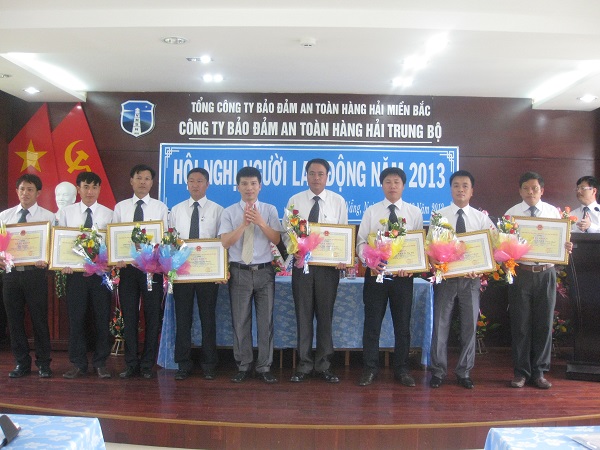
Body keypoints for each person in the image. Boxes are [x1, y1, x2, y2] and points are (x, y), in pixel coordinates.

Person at [356, 167, 423, 387]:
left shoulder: (414, 213)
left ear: (403, 185)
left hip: (403, 278)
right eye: (387, 182)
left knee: (402, 325)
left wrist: (412, 267)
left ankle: (402, 369)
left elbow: (418, 246)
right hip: (376, 276)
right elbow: (361, 243)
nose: (392, 186)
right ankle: (370, 368)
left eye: (396, 182)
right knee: (372, 323)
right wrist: (369, 262)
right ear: (382, 185)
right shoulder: (371, 212)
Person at [505, 171, 572, 389]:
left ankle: (540, 372)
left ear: (541, 190)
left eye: (534, 188)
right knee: (520, 325)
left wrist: (567, 246)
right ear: (520, 191)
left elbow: (563, 242)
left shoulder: (553, 213)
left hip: (546, 273)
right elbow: (503, 245)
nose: (530, 192)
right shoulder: (511, 214)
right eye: (526, 188)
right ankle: (521, 373)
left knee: (544, 324)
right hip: (521, 273)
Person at [429, 170, 495, 390]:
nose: (460, 189)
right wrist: (434, 261)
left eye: (465, 185)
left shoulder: (481, 218)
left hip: (471, 281)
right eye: (456, 185)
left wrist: (482, 268)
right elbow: (430, 246)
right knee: (440, 325)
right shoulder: (439, 216)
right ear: (451, 189)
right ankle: (438, 371)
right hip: (446, 279)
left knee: (469, 326)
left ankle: (464, 372)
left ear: (472, 191)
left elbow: (493, 246)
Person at [284, 158, 348, 383]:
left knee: (325, 316)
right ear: (306, 175)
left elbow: (343, 235)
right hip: (302, 267)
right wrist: (294, 248)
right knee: (303, 315)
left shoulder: (338, 201)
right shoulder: (295, 200)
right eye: (312, 173)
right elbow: (286, 233)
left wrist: (343, 258)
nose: (316, 178)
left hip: (327, 270)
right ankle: (303, 364)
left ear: (327, 177)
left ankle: (324, 365)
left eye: (321, 174)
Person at [219, 166, 282, 384]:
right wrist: (243, 225)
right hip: (239, 272)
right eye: (244, 184)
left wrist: (261, 222)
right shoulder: (229, 212)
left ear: (260, 186)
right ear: (237, 187)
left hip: (265, 272)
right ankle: (244, 365)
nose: (249, 188)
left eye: (253, 183)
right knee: (240, 321)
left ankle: (264, 366)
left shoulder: (270, 210)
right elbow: (225, 242)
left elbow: (277, 239)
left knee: (265, 322)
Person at [113, 164, 168, 379]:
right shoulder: (121, 208)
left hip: (152, 270)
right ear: (131, 181)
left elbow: (164, 239)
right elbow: (114, 238)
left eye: (147, 178)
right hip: (128, 270)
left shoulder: (160, 208)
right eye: (139, 178)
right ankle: (131, 363)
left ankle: (147, 365)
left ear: (152, 183)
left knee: (153, 316)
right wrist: (116, 258)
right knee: (129, 316)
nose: (143, 182)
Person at [57, 172, 114, 379]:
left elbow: (114, 244)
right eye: (86, 187)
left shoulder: (109, 214)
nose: (90, 191)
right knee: (76, 319)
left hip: (100, 275)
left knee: (102, 318)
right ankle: (78, 363)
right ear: (78, 189)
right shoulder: (66, 213)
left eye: (94, 187)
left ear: (99, 189)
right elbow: (59, 243)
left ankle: (101, 363)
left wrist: (111, 262)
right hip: (76, 275)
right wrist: (62, 264)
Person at [169, 168, 223, 381]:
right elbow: (170, 242)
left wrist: (221, 270)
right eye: (191, 181)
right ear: (187, 184)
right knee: (183, 319)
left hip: (208, 275)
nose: (195, 185)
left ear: (207, 184)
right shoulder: (176, 210)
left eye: (200, 181)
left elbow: (222, 243)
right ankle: (183, 363)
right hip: (182, 274)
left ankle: (209, 364)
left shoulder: (218, 210)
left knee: (208, 318)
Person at [0, 174, 55, 378]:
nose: (25, 193)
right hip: (11, 275)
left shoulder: (48, 217)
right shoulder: (5, 217)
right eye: (22, 189)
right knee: (14, 321)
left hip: (35, 275)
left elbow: (52, 247)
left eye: (30, 189)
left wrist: (46, 258)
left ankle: (44, 364)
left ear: (38, 193)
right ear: (17, 191)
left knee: (39, 320)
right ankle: (21, 363)